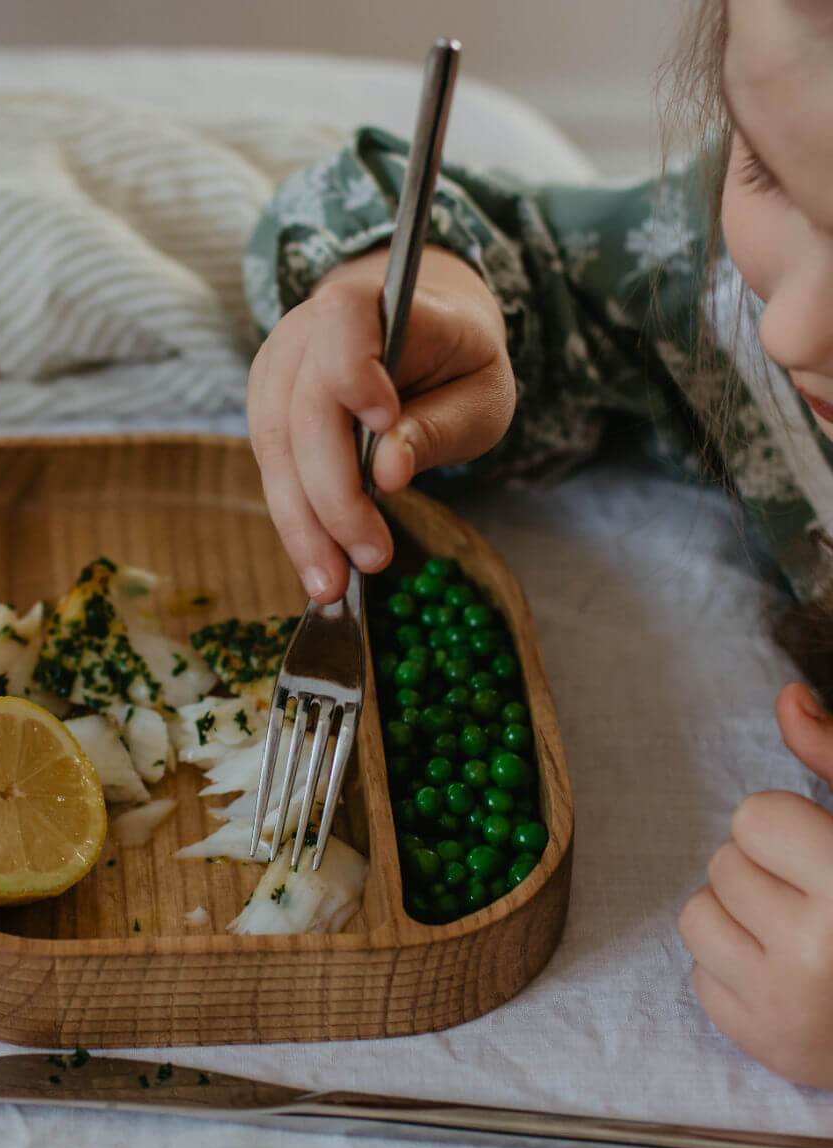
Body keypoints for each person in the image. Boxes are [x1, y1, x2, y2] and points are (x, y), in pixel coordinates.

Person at [241, 0, 833, 1087]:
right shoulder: (722, 285)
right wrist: (426, 296)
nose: (792, 328)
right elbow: (538, 266)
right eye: (768, 172)